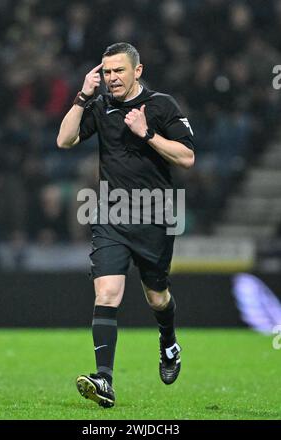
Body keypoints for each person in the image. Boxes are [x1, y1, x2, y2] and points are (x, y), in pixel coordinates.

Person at [57, 42, 195, 408]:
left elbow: (187, 157)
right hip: (111, 215)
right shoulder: (99, 106)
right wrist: (81, 97)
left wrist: (147, 133)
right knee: (107, 294)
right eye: (105, 72)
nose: (111, 78)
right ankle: (104, 379)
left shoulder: (162, 105)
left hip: (154, 215)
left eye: (118, 71)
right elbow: (64, 139)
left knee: (156, 297)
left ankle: (168, 341)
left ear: (138, 70)